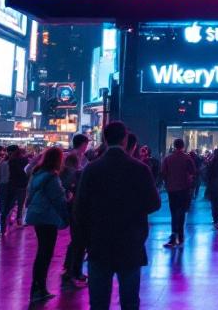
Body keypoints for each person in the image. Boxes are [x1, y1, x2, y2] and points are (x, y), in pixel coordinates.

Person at [74, 122, 161, 310]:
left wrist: (85, 241)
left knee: (98, 301)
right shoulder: (140, 169)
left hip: (99, 242)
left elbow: (80, 208)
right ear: (125, 140)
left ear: (105, 139)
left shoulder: (92, 169)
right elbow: (154, 203)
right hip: (130, 241)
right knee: (129, 300)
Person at [25, 147, 71, 303]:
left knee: (41, 252)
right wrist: (67, 217)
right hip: (47, 216)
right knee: (46, 252)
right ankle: (40, 288)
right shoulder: (52, 177)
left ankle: (36, 287)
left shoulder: (37, 173)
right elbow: (58, 200)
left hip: (37, 214)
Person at [60, 134, 92, 286]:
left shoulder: (78, 157)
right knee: (79, 239)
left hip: (76, 203)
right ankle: (73, 271)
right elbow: (70, 180)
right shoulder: (73, 158)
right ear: (83, 144)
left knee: (77, 239)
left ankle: (71, 268)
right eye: (86, 144)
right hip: (77, 204)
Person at [161, 138, 196, 247]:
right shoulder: (187, 158)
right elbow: (193, 172)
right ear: (183, 146)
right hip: (184, 189)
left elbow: (163, 173)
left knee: (174, 212)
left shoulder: (168, 159)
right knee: (182, 212)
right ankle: (180, 235)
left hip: (172, 189)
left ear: (174, 146)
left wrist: (168, 182)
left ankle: (173, 234)